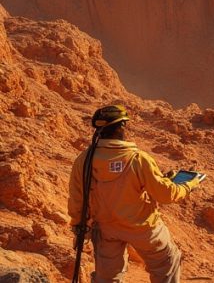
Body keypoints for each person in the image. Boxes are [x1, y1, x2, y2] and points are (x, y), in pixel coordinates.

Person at [68, 105, 202, 283]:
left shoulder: (84, 160)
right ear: (122, 126)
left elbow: (78, 198)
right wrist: (189, 185)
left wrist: (79, 228)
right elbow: (165, 194)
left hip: (106, 228)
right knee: (167, 261)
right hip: (142, 228)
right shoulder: (138, 159)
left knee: (107, 278)